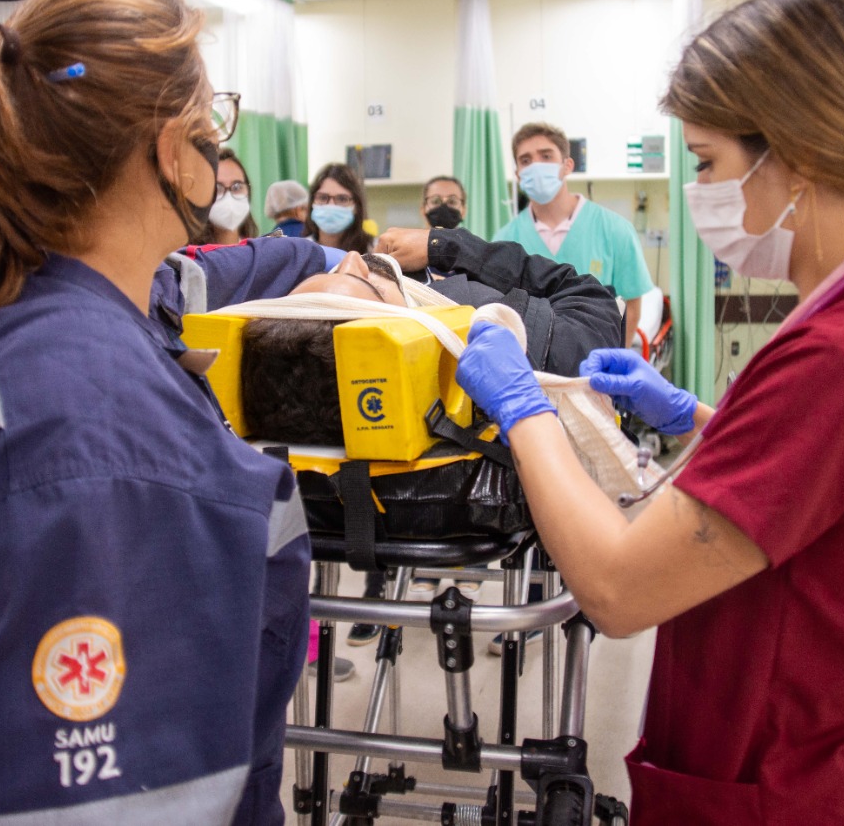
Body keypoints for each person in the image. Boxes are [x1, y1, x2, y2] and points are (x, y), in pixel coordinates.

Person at [452, 0, 844, 824]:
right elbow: (819, 488)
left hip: (786, 786)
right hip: (808, 755)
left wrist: (526, 409)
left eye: (706, 163)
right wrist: (702, 420)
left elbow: (619, 591)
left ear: (796, 155)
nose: (701, 188)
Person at [0, 0, 318, 826]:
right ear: (173, 145)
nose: (219, 145)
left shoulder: (11, 307)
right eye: (215, 118)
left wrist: (333, 267)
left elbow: (225, 273)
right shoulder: (93, 434)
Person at [254, 226, 625, 644]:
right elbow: (590, 297)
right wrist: (446, 245)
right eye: (359, 279)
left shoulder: (288, 442)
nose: (354, 257)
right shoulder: (500, 339)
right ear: (396, 342)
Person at [494, 122, 653, 342]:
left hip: (596, 361)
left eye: (546, 156)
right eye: (526, 160)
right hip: (529, 367)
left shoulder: (615, 230)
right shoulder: (504, 240)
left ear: (567, 165)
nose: (535, 166)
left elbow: (632, 305)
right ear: (518, 175)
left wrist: (614, 361)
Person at [196, 145, 260, 245]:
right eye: (217, 188)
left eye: (237, 187)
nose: (228, 197)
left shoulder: (259, 253)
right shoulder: (187, 257)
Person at [306, 162, 374, 254]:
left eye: (342, 199)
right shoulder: (300, 252)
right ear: (312, 202)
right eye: (322, 197)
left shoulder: (371, 253)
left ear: (356, 207)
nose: (331, 205)